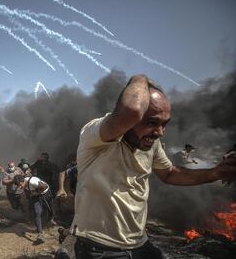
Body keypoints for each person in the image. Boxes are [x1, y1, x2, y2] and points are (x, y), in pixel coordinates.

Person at [71, 75, 236, 259]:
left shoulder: (151, 144)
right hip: (101, 248)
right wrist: (140, 78)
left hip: (139, 243)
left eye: (164, 124)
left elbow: (170, 174)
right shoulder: (96, 134)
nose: (159, 132)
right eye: (151, 123)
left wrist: (215, 172)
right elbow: (131, 111)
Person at [14, 174, 54, 243]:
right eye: (18, 185)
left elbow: (45, 186)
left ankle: (49, 223)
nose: (20, 187)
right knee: (37, 213)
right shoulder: (23, 184)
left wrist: (36, 193)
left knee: (50, 212)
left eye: (20, 185)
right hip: (36, 196)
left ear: (23, 181)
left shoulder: (32, 181)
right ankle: (40, 234)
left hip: (45, 194)